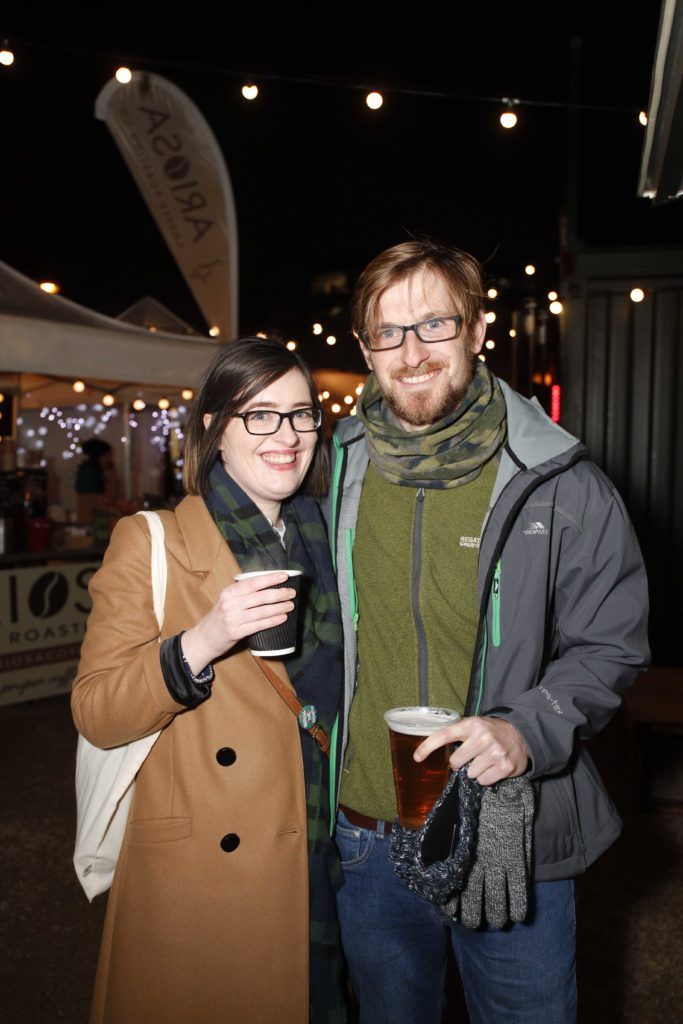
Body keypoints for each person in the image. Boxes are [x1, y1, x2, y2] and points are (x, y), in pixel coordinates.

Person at [323, 239, 649, 1024]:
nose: (411, 352)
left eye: (434, 324)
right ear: (365, 347)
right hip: (365, 834)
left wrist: (527, 730)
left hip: (509, 835)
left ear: (476, 331)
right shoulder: (333, 469)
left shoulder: (561, 481)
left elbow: (610, 645)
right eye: (387, 332)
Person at [71, 337, 346, 1024]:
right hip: (205, 872)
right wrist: (203, 640)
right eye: (259, 415)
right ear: (214, 430)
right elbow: (97, 710)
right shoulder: (153, 541)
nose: (285, 436)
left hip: (325, 854)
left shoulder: (334, 538)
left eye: (300, 414)